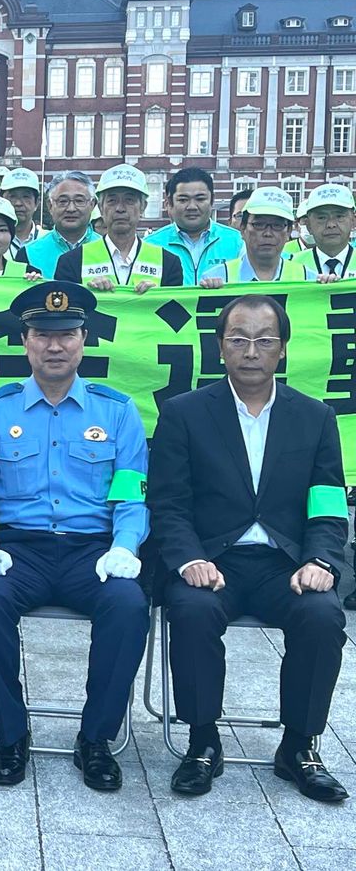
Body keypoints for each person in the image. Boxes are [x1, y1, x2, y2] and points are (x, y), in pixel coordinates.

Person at [148, 295, 349, 802]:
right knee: (190, 610)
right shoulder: (184, 413)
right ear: (220, 348)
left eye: (264, 340)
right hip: (212, 559)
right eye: (238, 339)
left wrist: (320, 561)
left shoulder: (315, 417)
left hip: (287, 564)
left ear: (282, 350)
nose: (251, 350)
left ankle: (299, 746)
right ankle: (201, 742)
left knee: (323, 616)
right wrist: (190, 559)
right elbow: (169, 503)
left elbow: (327, 505)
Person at [0, 281, 149, 791]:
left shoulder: (118, 411)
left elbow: (131, 495)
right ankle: (11, 735)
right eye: (43, 334)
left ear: (84, 339)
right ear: (25, 341)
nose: (55, 345)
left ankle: (96, 738)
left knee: (129, 605)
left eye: (67, 334)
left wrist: (126, 546)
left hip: (93, 551)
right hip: (19, 549)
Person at [54, 164, 181, 293]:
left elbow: (178, 310)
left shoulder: (168, 263)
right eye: (112, 200)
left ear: (143, 207)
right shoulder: (71, 262)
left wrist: (157, 297)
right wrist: (88, 293)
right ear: (101, 207)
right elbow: (65, 309)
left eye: (129, 200)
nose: (120, 208)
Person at [145, 168, 243, 284]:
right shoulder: (150, 245)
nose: (192, 206)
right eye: (183, 200)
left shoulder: (237, 241)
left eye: (200, 199)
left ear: (212, 201)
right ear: (170, 204)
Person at [200, 187, 301, 286]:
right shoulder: (216, 278)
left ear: (288, 231)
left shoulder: (306, 278)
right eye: (259, 224)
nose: (268, 233)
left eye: (277, 225)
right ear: (243, 229)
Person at [15, 171, 101, 278]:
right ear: (50, 206)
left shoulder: (108, 250)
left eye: (79, 201)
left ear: (92, 205)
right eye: (63, 201)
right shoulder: (28, 253)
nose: (71, 209)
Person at [288, 184, 356, 280]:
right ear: (308, 225)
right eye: (322, 217)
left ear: (353, 221)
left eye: (339, 216)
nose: (331, 224)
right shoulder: (293, 264)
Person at [0, 168, 45, 259]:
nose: (18, 203)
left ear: (36, 203)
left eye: (26, 197)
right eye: (12, 196)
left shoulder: (47, 240)